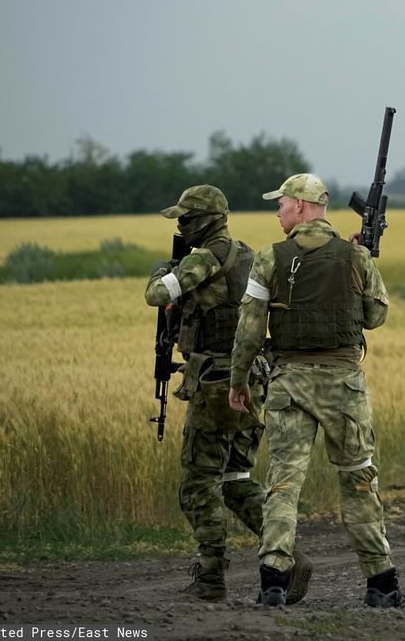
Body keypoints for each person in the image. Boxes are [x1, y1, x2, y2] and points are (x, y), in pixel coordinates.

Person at [228, 172, 405, 608]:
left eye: (283, 204)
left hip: (289, 384)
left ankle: (272, 581)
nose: (278, 211)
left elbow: (249, 330)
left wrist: (238, 382)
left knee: (283, 483)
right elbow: (375, 317)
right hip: (344, 388)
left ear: (303, 206)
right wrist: (363, 258)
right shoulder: (354, 256)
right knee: (359, 479)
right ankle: (381, 585)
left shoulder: (270, 257)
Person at [145, 184, 312, 602]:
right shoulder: (248, 254)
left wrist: (162, 268)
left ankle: (211, 578)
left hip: (216, 385)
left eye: (185, 218)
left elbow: (157, 294)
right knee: (237, 479)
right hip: (252, 380)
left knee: (199, 484)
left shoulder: (204, 257)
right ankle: (288, 558)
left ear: (203, 221)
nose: (181, 226)